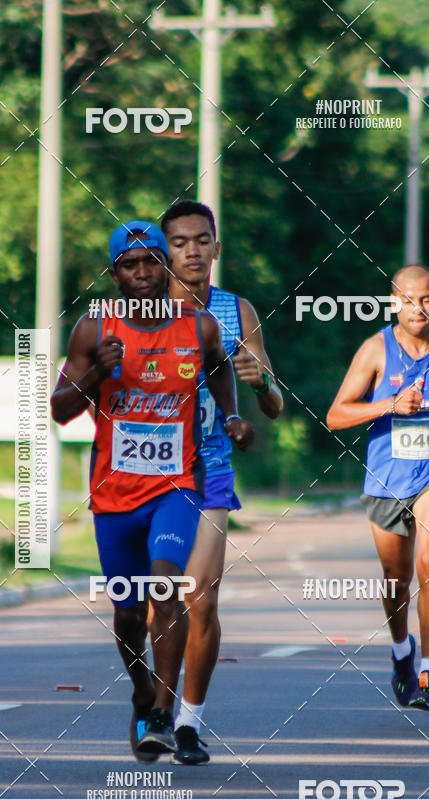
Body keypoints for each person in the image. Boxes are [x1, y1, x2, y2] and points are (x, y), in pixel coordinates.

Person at [51, 220, 253, 760]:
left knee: (166, 587)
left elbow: (219, 370)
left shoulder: (199, 326)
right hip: (114, 495)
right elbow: (59, 410)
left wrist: (232, 416)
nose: (141, 272)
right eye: (129, 264)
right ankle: (141, 694)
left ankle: (163, 715)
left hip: (176, 488)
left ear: (165, 267)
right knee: (126, 614)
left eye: (150, 262)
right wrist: (96, 375)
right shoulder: (94, 331)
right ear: (114, 275)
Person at [326, 265, 429, 711]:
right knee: (395, 579)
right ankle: (403, 651)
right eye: (408, 300)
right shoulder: (375, 349)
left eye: (426, 299)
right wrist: (389, 405)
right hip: (387, 477)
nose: (417, 308)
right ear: (393, 303)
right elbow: (336, 415)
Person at [158, 200, 284, 763]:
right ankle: (156, 709)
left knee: (200, 600)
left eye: (201, 240)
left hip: (208, 468)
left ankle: (187, 722)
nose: (191, 250)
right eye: (180, 241)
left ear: (215, 247)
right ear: (165, 253)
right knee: (158, 599)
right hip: (148, 470)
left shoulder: (239, 312)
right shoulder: (137, 312)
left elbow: (274, 409)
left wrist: (260, 388)